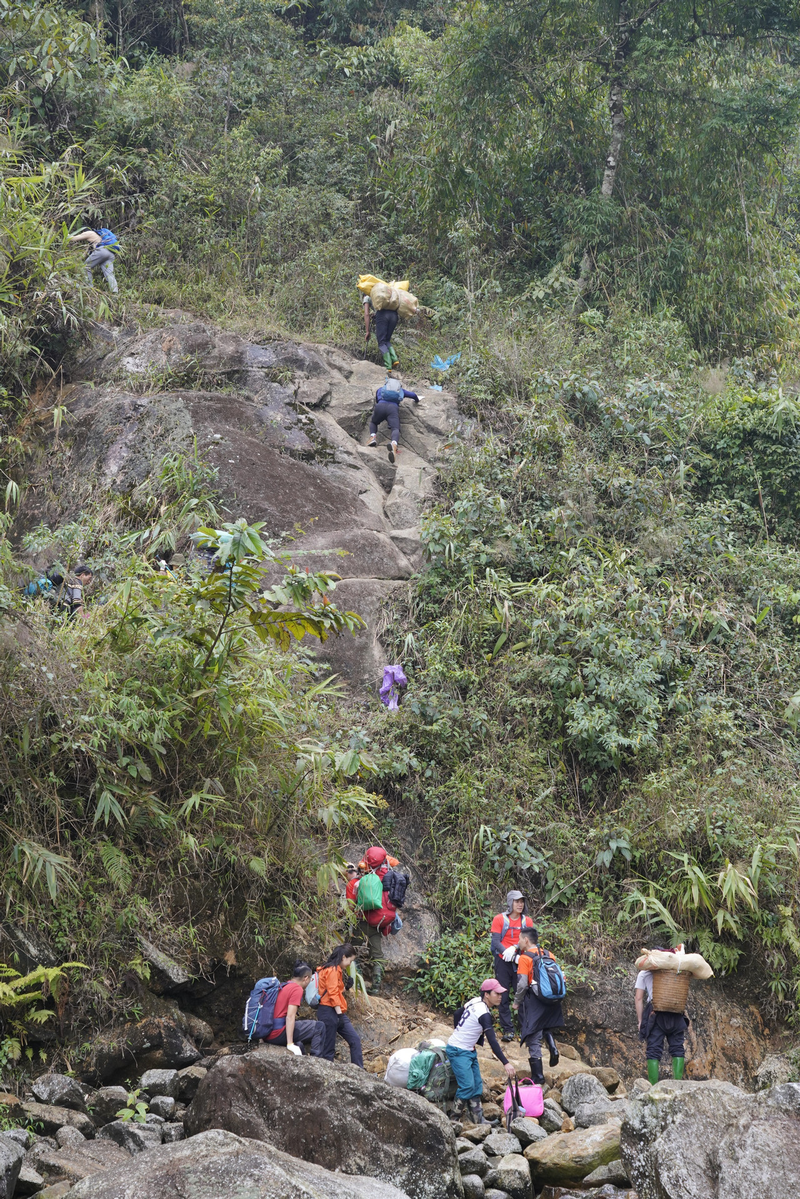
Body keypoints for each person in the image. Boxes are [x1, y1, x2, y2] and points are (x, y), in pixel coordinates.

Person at [447, 979, 516, 1125]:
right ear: (486, 994)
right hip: (458, 1050)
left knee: (477, 1085)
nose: (500, 996)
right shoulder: (484, 1013)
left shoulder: (475, 1001)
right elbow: (492, 1041)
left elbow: (457, 1013)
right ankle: (453, 1121)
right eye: (496, 993)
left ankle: (479, 1120)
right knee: (467, 1086)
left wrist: (461, 1031)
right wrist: (506, 1063)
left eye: (500, 993)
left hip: (468, 1050)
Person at [513, 926, 564, 1085]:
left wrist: (517, 1002)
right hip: (552, 999)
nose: (519, 942)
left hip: (534, 1000)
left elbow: (522, 984)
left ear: (526, 940)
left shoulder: (525, 958)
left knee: (533, 1036)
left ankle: (538, 1077)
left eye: (520, 939)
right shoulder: (550, 954)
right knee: (545, 1024)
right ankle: (552, 1047)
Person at [490, 891, 536, 1041]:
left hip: (521, 961)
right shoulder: (499, 919)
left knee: (522, 994)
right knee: (502, 995)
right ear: (510, 903)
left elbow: (529, 941)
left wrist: (515, 951)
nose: (520, 904)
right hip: (502, 961)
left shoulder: (527, 921)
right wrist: (506, 952)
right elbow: (496, 941)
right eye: (516, 901)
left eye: (522, 901)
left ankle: (525, 1031)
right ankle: (508, 1030)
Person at [354, 845, 400, 995]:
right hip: (378, 922)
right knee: (377, 955)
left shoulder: (364, 879)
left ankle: (357, 983)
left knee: (349, 950)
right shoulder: (389, 876)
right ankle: (375, 987)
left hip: (363, 920)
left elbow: (356, 899)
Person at [635, 967, 688, 1084]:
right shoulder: (676, 970)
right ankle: (677, 1085)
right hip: (676, 1013)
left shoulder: (644, 973)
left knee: (653, 1049)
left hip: (655, 1014)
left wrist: (640, 1021)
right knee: (677, 1048)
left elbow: (638, 998)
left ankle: (654, 1088)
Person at [316, 944, 364, 1068]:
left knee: (354, 1040)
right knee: (329, 1048)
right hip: (329, 1011)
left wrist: (346, 987)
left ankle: (359, 1072)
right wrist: (339, 1015)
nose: (349, 963)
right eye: (350, 960)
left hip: (335, 1011)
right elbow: (332, 994)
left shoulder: (336, 970)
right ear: (344, 957)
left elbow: (336, 991)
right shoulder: (331, 970)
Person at [264, 961, 325, 1057]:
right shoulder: (297, 989)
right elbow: (290, 1017)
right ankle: (316, 1061)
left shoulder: (284, 986)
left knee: (300, 1045)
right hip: (278, 1033)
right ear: (306, 978)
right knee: (319, 1027)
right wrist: (290, 1044)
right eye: (310, 980)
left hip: (268, 1033)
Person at [366, 379, 420, 464]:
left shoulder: (381, 389)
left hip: (380, 406)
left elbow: (377, 399)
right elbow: (413, 395)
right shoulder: (401, 391)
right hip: (392, 409)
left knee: (374, 422)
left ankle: (373, 437)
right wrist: (417, 400)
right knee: (395, 428)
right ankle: (394, 443)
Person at [68, 228, 120, 293]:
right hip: (111, 253)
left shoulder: (88, 233)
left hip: (102, 251)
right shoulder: (97, 238)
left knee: (85, 267)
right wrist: (76, 261)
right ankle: (115, 292)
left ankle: (89, 287)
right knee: (109, 274)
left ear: (84, 230)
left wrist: (66, 234)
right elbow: (85, 254)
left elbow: (73, 239)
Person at [363, 290, 399, 370]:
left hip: (383, 316)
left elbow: (366, 314)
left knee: (381, 342)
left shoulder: (367, 297)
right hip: (394, 316)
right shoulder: (382, 294)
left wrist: (367, 331)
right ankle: (394, 359)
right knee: (387, 340)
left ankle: (388, 366)